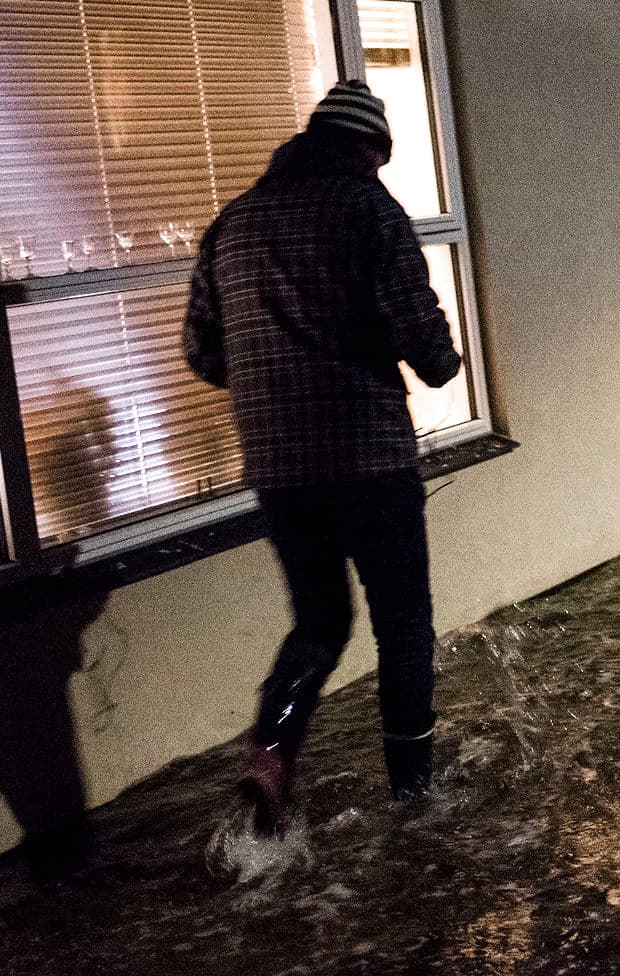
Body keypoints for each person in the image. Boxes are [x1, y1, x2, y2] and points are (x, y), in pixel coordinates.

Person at [184, 80, 462, 835]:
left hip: (280, 471)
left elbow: (204, 354)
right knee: (402, 623)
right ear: (371, 151)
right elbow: (426, 347)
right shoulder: (370, 210)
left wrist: (275, 370)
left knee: (317, 623)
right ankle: (412, 795)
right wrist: (443, 359)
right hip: (369, 457)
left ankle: (270, 758)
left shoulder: (232, 224)